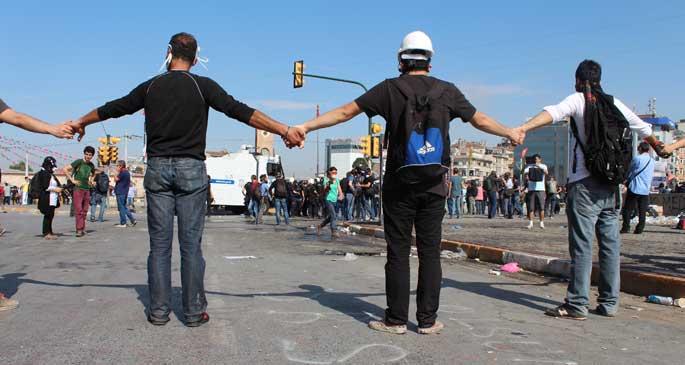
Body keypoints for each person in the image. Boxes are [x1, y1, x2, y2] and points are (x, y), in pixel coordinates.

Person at [288, 31, 523, 335]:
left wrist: (306, 125)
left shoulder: (390, 89)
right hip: (435, 186)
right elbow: (479, 119)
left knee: (398, 253)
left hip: (399, 185)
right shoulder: (447, 91)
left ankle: (396, 320)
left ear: (401, 59)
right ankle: (427, 320)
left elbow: (346, 112)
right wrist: (510, 133)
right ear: (430, 59)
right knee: (429, 252)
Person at [68, 32, 299, 326]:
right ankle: (192, 312)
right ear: (195, 56)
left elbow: (114, 107)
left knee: (160, 246)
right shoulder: (202, 86)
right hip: (191, 170)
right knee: (190, 245)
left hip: (157, 169)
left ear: (168, 52)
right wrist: (284, 129)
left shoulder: (150, 87)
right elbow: (240, 111)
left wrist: (81, 122)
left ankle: (158, 311)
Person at [517, 59, 666, 320]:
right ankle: (609, 303)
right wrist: (659, 146)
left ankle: (577, 305)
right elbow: (644, 130)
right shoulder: (614, 103)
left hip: (584, 187)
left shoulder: (578, 100)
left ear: (577, 80)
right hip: (611, 187)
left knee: (582, 247)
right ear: (600, 79)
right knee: (610, 246)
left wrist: (523, 128)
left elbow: (553, 112)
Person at [0, 97, 74, 311]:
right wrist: (52, 129)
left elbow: (16, 117)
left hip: (51, 200)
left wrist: (52, 129)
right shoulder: (43, 175)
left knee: (49, 217)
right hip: (46, 198)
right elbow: (17, 118)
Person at [621, 142, 655, 234]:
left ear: (640, 149)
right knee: (642, 210)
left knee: (628, 209)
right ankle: (640, 228)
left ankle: (626, 227)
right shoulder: (652, 160)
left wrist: (626, 179)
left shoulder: (637, 158)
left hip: (635, 187)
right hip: (645, 189)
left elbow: (630, 170)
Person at [64, 146, 96, 237]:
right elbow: (65, 169)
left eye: (90, 155)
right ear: (84, 154)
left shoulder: (91, 165)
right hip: (78, 189)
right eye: (86, 154)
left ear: (92, 156)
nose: (88, 156)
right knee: (79, 210)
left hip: (87, 189)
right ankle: (79, 229)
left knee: (85, 210)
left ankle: (82, 228)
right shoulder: (78, 162)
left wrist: (91, 180)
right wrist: (72, 180)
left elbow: (94, 174)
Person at [35, 157, 63, 240]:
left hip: (52, 197)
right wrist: (55, 189)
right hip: (46, 197)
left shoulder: (50, 174)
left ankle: (50, 231)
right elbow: (45, 186)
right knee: (47, 215)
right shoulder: (43, 173)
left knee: (51, 215)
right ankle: (46, 232)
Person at [317, 167, 343, 238]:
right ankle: (334, 231)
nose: (334, 174)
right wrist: (329, 184)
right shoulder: (326, 180)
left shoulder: (337, 180)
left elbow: (339, 189)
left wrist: (341, 195)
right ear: (330, 173)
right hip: (328, 199)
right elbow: (325, 190)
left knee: (332, 216)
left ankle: (320, 226)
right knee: (333, 215)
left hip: (335, 200)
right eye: (333, 173)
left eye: (336, 173)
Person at [524, 154, 548, 229]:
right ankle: (530, 223)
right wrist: (527, 169)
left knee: (541, 207)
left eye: (537, 159)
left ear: (540, 159)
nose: (535, 160)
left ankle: (541, 223)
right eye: (534, 159)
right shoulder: (530, 166)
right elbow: (524, 172)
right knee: (531, 207)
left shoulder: (543, 166)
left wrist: (538, 166)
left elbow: (546, 172)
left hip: (541, 189)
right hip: (531, 189)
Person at [114, 160, 137, 228]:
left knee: (121, 208)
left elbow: (116, 179)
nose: (116, 167)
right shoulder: (127, 172)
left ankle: (123, 222)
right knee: (124, 207)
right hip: (124, 192)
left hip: (120, 192)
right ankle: (133, 220)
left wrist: (115, 173)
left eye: (117, 166)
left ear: (121, 166)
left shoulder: (122, 173)